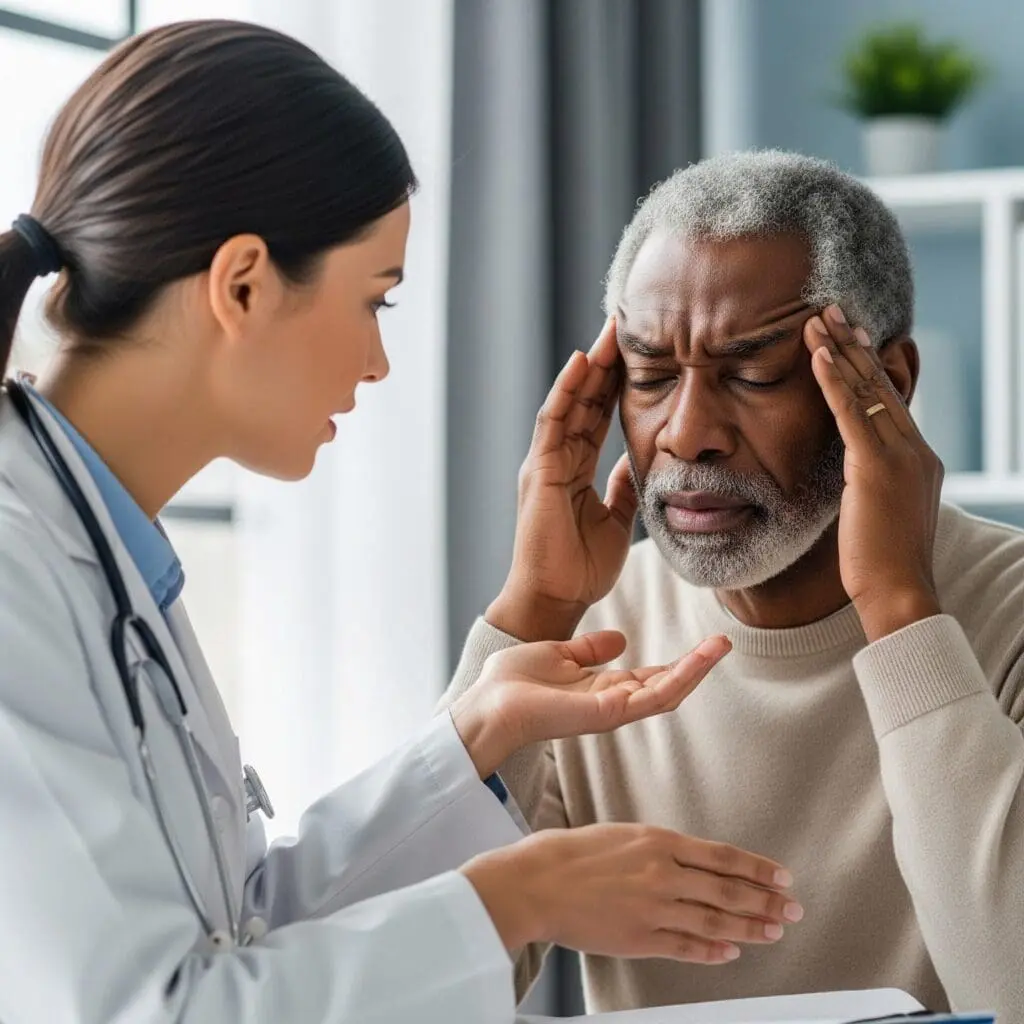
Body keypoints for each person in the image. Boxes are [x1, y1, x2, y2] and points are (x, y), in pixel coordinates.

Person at [0, 24, 800, 1024]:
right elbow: (157, 1010)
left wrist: (477, 730)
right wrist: (523, 895)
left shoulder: (100, 553)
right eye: (374, 299)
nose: (377, 364)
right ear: (242, 283)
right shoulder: (16, 566)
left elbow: (245, 930)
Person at [443, 151, 1024, 1020]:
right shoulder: (591, 629)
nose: (686, 435)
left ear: (887, 386)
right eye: (647, 377)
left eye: (753, 375)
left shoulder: (1007, 614)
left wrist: (903, 612)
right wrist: (530, 613)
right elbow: (414, 983)